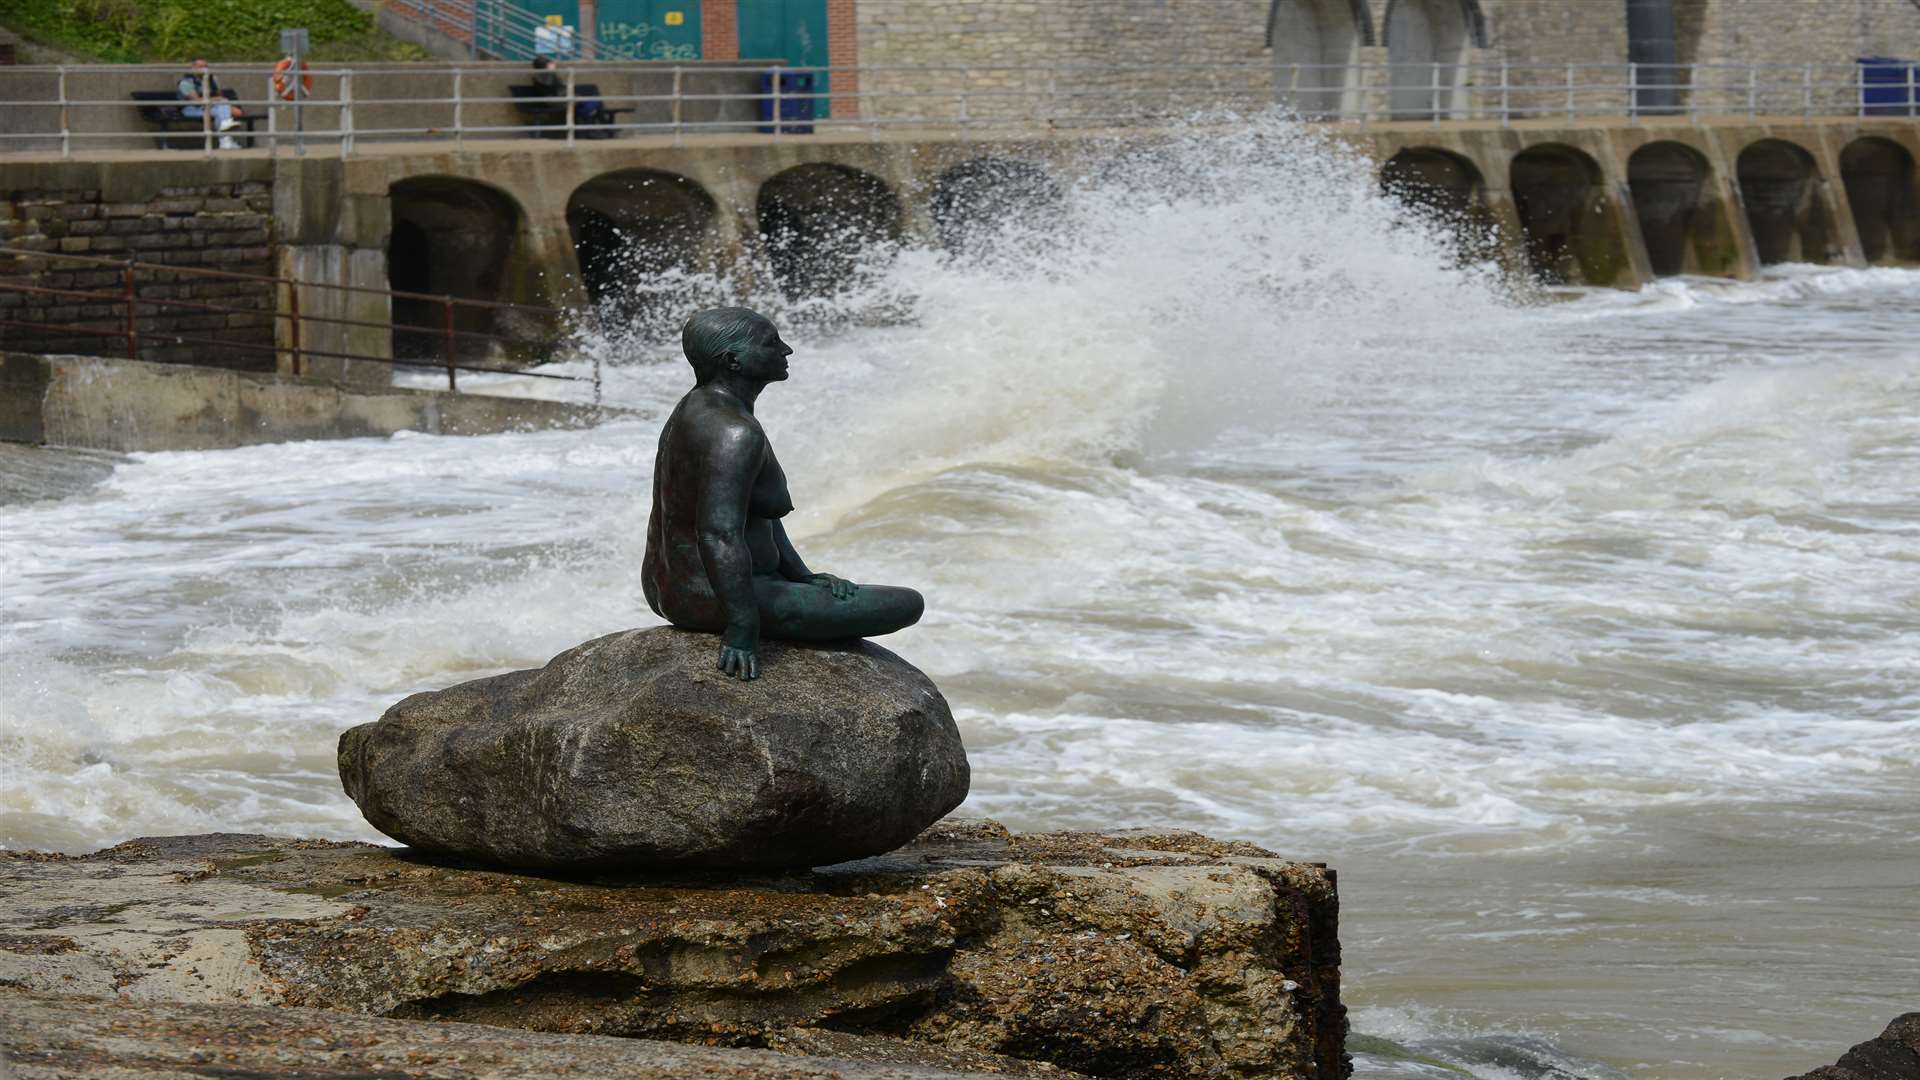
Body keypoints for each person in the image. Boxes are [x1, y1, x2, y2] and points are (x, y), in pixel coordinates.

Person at [642, 308, 924, 680]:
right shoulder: (735, 433)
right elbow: (719, 534)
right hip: (712, 600)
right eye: (771, 343)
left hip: (669, 590)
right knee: (907, 604)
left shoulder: (694, 408)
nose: (786, 350)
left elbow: (758, 515)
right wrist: (743, 627)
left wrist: (801, 575)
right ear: (733, 360)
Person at [177, 59, 243, 150]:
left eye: (205, 66)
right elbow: (197, 101)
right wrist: (217, 100)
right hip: (191, 109)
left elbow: (219, 95)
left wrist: (219, 101)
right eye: (200, 67)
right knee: (222, 108)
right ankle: (225, 140)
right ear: (193, 68)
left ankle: (225, 141)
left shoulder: (212, 80)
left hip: (210, 107)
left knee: (221, 109)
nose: (204, 69)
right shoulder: (185, 83)